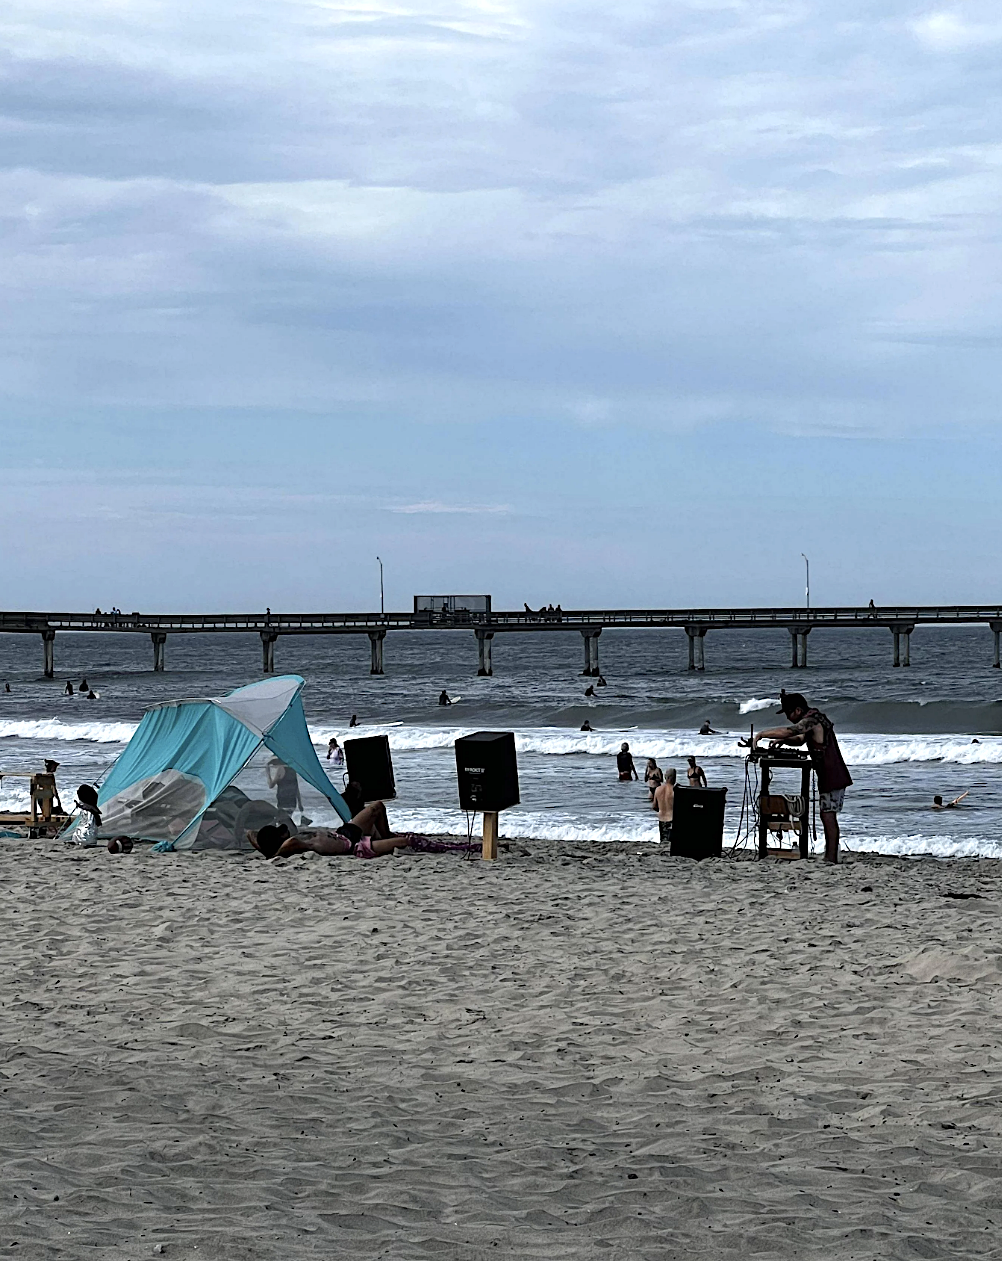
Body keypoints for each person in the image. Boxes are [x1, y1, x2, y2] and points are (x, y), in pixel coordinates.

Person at [754, 690, 852, 864]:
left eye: (788, 713)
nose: (788, 718)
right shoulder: (815, 718)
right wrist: (783, 742)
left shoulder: (812, 720)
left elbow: (791, 731)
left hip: (832, 774)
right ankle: (831, 855)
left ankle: (831, 857)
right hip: (829, 773)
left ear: (798, 710)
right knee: (827, 813)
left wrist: (762, 734)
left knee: (828, 814)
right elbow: (799, 739)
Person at [250, 800, 409, 860]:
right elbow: (286, 844)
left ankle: (385, 836)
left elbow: (250, 834)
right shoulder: (293, 844)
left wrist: (262, 846)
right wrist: (271, 854)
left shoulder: (295, 841)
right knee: (403, 842)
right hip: (355, 846)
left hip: (344, 833)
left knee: (377, 807)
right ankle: (384, 840)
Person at [654, 769, 676, 843]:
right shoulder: (675, 790)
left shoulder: (658, 789)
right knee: (672, 842)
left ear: (665, 777)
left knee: (663, 841)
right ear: (673, 778)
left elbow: (654, 806)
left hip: (661, 819)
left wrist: (662, 808)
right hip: (672, 818)